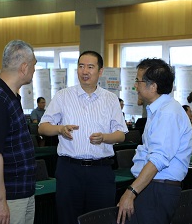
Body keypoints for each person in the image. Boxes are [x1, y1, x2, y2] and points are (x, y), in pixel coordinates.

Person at [38, 50, 127, 224]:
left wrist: (104, 137)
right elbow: (42, 127)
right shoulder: (63, 96)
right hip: (69, 170)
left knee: (100, 219)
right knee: (68, 219)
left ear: (100, 71)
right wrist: (60, 129)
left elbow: (121, 135)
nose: (84, 71)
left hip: (100, 171)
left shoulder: (110, 99)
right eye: (81, 66)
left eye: (90, 67)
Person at [117, 59, 192, 224]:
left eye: (138, 81)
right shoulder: (161, 110)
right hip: (153, 186)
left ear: (153, 86)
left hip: (157, 188)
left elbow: (157, 159)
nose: (135, 86)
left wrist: (130, 192)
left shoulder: (167, 113)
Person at [0, 40, 37, 224]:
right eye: (34, 65)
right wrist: (0, 201)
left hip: (21, 192)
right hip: (8, 196)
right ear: (24, 67)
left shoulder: (9, 95)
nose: (34, 70)